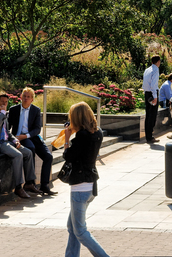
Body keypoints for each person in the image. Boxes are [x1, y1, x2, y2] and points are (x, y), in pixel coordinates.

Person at [63, 102, 109, 257]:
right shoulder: (98, 132)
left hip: (80, 188)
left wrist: (67, 139)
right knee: (72, 226)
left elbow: (68, 156)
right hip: (91, 185)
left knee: (80, 231)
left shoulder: (81, 137)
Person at [0, 92, 40, 198]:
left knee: (28, 153)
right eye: (2, 102)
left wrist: (15, 140)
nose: (4, 104)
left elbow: (7, 131)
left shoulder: (2, 113)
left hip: (6, 141)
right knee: (18, 155)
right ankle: (18, 187)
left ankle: (30, 182)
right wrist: (3, 113)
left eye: (6, 102)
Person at [9, 87, 57, 196]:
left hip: (31, 136)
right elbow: (8, 126)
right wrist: (14, 138)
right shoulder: (13, 109)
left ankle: (45, 185)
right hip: (17, 137)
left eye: (28, 97)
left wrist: (25, 136)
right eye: (24, 96)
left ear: (32, 99)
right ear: (21, 97)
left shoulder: (36, 110)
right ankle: (31, 183)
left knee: (48, 157)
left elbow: (37, 129)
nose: (26, 99)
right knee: (30, 149)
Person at [142, 55, 161, 144]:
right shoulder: (155, 70)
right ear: (158, 61)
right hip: (152, 93)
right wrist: (155, 97)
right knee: (152, 115)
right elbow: (154, 84)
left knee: (148, 115)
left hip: (147, 93)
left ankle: (148, 136)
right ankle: (150, 137)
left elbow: (144, 83)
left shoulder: (147, 70)